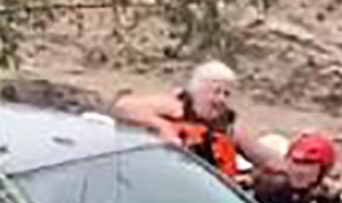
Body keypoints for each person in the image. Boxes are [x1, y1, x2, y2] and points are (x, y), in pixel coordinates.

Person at [109, 60, 283, 178]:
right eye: (216, 91)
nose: (221, 99)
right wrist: (162, 126)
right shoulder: (174, 107)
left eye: (227, 94)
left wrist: (294, 167)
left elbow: (262, 156)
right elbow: (122, 107)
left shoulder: (230, 127)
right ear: (196, 90)